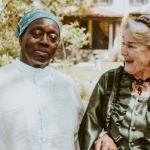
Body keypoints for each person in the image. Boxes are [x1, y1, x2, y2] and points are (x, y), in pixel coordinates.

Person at [0, 9, 83, 150]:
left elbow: (79, 136)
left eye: (53, 38)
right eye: (37, 34)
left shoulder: (67, 86)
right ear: (21, 38)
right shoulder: (3, 80)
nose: (45, 42)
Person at [79, 14, 150, 150]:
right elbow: (89, 127)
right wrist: (102, 137)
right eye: (123, 43)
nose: (123, 51)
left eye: (131, 45)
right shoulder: (109, 81)